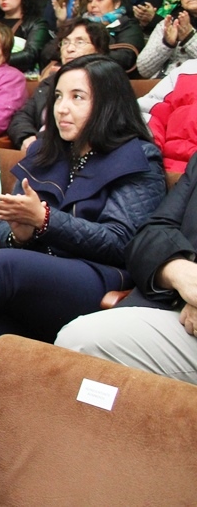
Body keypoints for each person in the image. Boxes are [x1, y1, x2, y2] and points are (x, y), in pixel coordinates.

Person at [0, 54, 166, 470]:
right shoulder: (48, 152)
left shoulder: (137, 158)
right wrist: (21, 231)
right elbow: (2, 225)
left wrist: (45, 221)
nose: (62, 108)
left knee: (0, 266)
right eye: (58, 97)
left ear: (109, 102)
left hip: (97, 281)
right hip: (33, 279)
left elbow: (122, 243)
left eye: (78, 97)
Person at [55, 151, 197, 386]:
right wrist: (177, 271)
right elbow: (151, 233)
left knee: (78, 341)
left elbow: (118, 239)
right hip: (174, 308)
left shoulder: (138, 156)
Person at [9, 19, 110, 151]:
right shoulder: (50, 81)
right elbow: (22, 116)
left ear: (99, 49)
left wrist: (39, 141)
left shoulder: (107, 82)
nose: (69, 49)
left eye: (80, 42)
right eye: (65, 42)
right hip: (39, 150)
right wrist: (26, 137)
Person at [138, 0, 197, 78]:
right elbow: (143, 69)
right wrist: (167, 44)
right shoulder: (170, 23)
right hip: (166, 84)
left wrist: (189, 38)